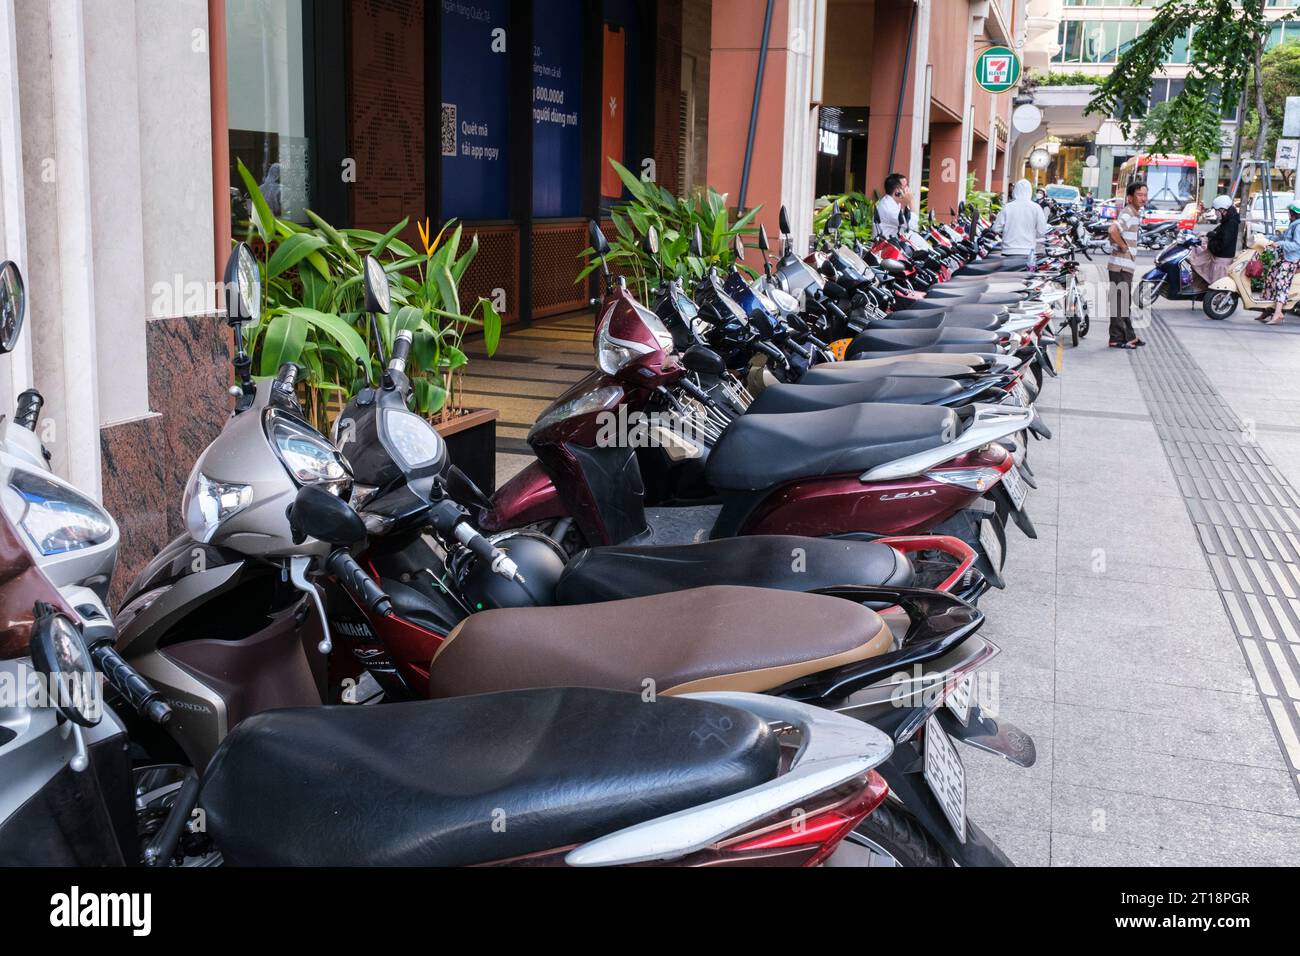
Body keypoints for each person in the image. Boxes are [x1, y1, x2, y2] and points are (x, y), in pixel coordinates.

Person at [1106, 180, 1147, 349]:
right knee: (1120, 303)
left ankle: (1129, 336)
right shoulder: (1128, 213)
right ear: (1130, 198)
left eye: (1145, 195)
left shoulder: (1134, 213)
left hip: (1124, 266)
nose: (1143, 198)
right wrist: (1124, 246)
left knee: (1123, 302)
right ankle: (1116, 338)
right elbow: (1112, 230)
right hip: (1120, 266)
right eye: (1139, 195)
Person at [1261, 201, 1300, 326]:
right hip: (1284, 257)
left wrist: (1280, 244)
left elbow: (1296, 245)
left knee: (1281, 282)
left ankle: (1278, 313)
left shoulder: (1298, 227)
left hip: (1291, 259)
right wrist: (1267, 238)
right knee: (1270, 278)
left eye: (1290, 211)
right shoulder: (1293, 224)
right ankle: (1267, 308)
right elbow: (1282, 237)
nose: (1288, 213)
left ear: (1294, 213)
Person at [992, 179, 1049, 262]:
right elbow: (1042, 231)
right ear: (1030, 191)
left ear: (1015, 191)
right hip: (1028, 251)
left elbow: (996, 228)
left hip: (1008, 251)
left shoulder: (1008, 207)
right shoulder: (1036, 208)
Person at [1189, 195, 1239, 289]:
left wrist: (1210, 242)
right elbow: (1218, 233)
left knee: (1217, 288)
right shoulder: (1228, 221)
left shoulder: (1230, 223)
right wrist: (1207, 234)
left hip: (1221, 261)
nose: (1215, 213)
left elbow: (1222, 243)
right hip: (1219, 259)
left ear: (1223, 210)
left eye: (1216, 210)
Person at [876, 173, 912, 240]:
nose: (908, 190)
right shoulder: (889, 208)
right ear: (897, 191)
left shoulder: (894, 203)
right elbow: (911, 226)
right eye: (905, 187)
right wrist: (909, 202)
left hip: (894, 244)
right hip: (886, 247)